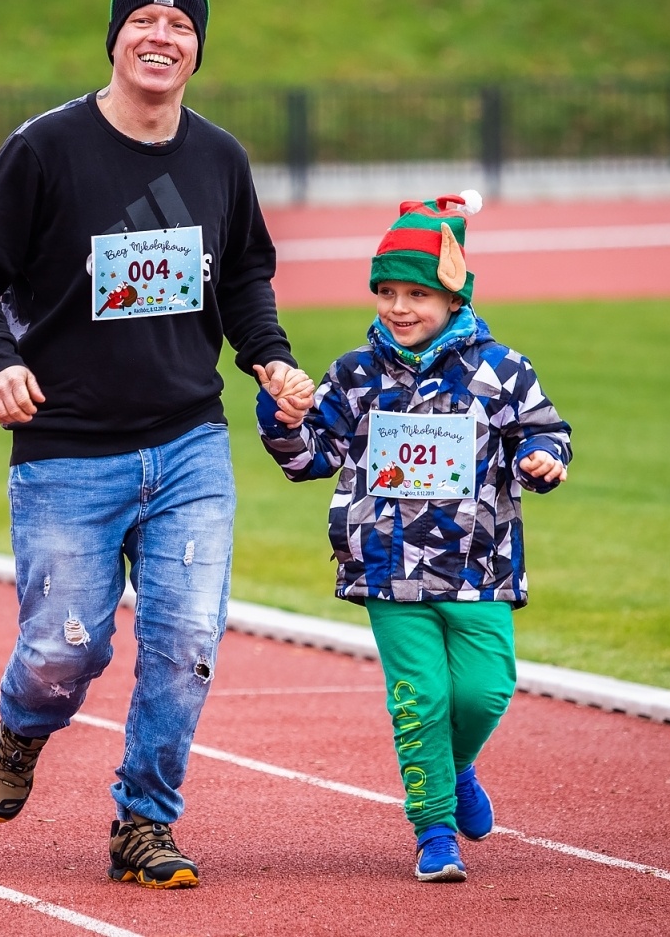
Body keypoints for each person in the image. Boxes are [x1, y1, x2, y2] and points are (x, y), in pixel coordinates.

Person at [0, 0, 313, 890]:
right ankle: (23, 729)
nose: (162, 37)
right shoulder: (47, 150)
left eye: (182, 26)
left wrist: (268, 357)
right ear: (115, 38)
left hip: (188, 440)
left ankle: (144, 821)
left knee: (185, 640)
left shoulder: (219, 160)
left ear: (197, 48)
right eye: (145, 24)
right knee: (64, 653)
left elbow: (242, 275)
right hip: (66, 447)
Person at [255, 192, 571, 883]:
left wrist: (542, 459)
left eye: (417, 293)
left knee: (484, 691)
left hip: (479, 566)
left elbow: (547, 430)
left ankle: (456, 767)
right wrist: (282, 419)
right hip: (388, 570)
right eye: (387, 291)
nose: (399, 307)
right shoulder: (356, 374)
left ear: (454, 298)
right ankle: (433, 830)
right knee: (419, 699)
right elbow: (312, 456)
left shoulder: (502, 369)